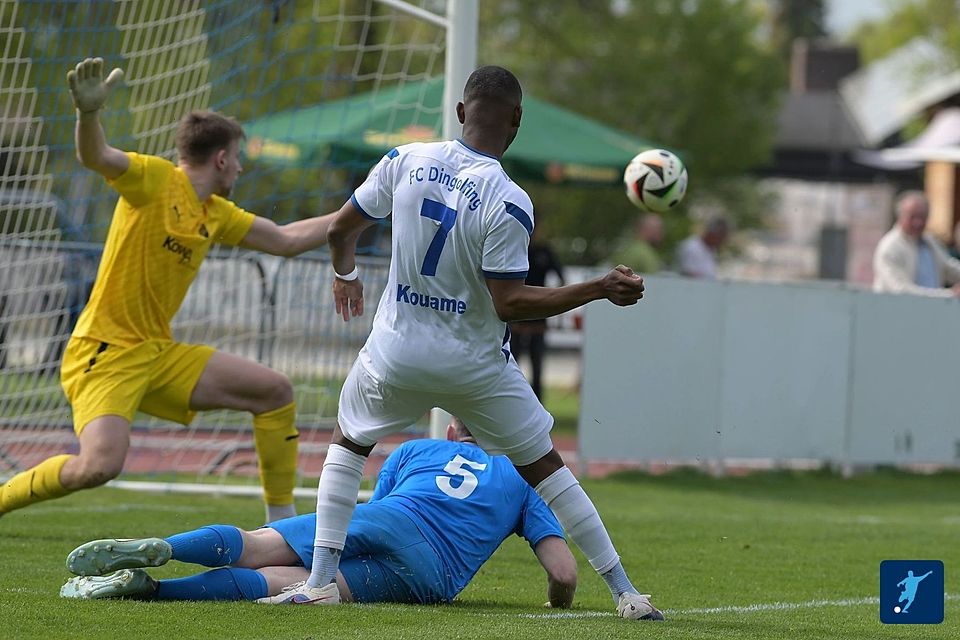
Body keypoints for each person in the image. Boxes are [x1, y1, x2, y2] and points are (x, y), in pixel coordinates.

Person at [263, 65, 663, 621]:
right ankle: (625, 593)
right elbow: (511, 303)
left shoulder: (404, 160)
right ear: (516, 122)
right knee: (546, 469)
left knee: (349, 443)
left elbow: (338, 230)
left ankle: (323, 580)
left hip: (396, 351)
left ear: (459, 112)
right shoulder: (510, 198)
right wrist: (597, 288)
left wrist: (346, 275)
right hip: (473, 366)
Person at [0, 58, 339, 523]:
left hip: (156, 353)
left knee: (274, 390)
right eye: (237, 157)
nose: (240, 168)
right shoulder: (156, 179)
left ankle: (281, 530)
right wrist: (88, 113)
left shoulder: (215, 211)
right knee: (98, 467)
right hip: (106, 353)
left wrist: (363, 209)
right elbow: (96, 156)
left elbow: (286, 239)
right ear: (221, 158)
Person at [60, 418, 578, 608]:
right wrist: (557, 604)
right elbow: (563, 573)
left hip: (392, 517)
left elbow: (377, 514)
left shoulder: (416, 450)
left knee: (262, 543)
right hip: (430, 575)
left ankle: (166, 550)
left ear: (450, 432)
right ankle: (156, 593)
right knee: (298, 583)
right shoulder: (525, 476)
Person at [509, 225, 564, 400]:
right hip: (515, 317)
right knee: (511, 365)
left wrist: (556, 308)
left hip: (538, 319)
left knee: (537, 367)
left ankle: (537, 404)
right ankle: (511, 402)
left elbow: (561, 278)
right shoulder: (515, 248)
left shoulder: (544, 252)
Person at [872, 191, 960, 298]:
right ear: (900, 216)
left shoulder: (929, 241)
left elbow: (949, 269)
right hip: (897, 312)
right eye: (912, 217)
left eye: (922, 217)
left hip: (932, 310)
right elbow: (900, 290)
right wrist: (948, 294)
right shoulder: (890, 247)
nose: (918, 222)